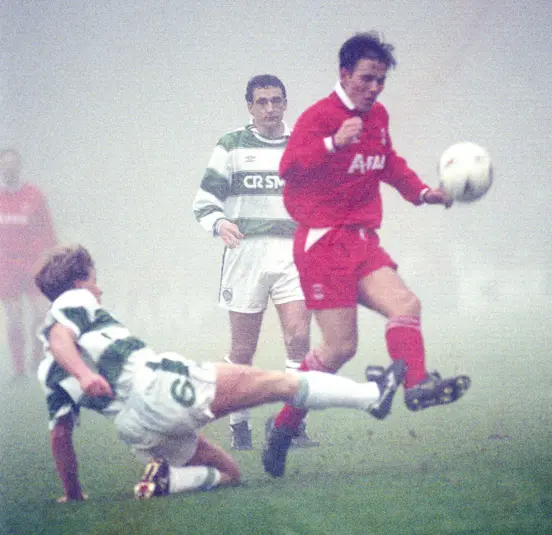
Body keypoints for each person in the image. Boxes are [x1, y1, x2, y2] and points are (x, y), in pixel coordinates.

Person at [34, 244, 405, 502]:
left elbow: (60, 437)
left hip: (136, 431)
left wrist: (72, 490)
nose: (99, 288)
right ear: (79, 281)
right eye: (95, 279)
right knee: (280, 383)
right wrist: (84, 374)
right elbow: (59, 337)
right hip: (158, 388)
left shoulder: (48, 374)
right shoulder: (73, 299)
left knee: (229, 472)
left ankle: (169, 481)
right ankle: (373, 397)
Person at [262, 32, 471, 478]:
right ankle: (281, 427)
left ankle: (416, 385)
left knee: (406, 305)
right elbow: (289, 166)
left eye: (380, 80)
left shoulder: (378, 117)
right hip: (322, 242)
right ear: (344, 74)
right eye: (366, 78)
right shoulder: (319, 117)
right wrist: (333, 143)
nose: (374, 88)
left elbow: (388, 162)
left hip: (361, 239)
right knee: (339, 349)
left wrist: (423, 193)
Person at [193, 75, 316, 450]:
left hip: (293, 253)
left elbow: (321, 194)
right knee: (243, 349)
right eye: (261, 102)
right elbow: (204, 200)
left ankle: (289, 425)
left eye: (276, 101)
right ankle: (239, 424)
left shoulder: (301, 144)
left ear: (285, 104)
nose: (269, 109)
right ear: (249, 106)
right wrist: (219, 223)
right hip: (246, 255)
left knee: (298, 338)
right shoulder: (231, 145)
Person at [0, 148, 56, 377]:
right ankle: (19, 370)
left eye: (12, 164)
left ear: (19, 166)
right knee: (14, 318)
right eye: (4, 165)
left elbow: (48, 231)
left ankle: (36, 357)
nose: (8, 169)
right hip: (6, 266)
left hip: (33, 264)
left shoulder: (34, 195)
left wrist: (50, 257)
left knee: (42, 314)